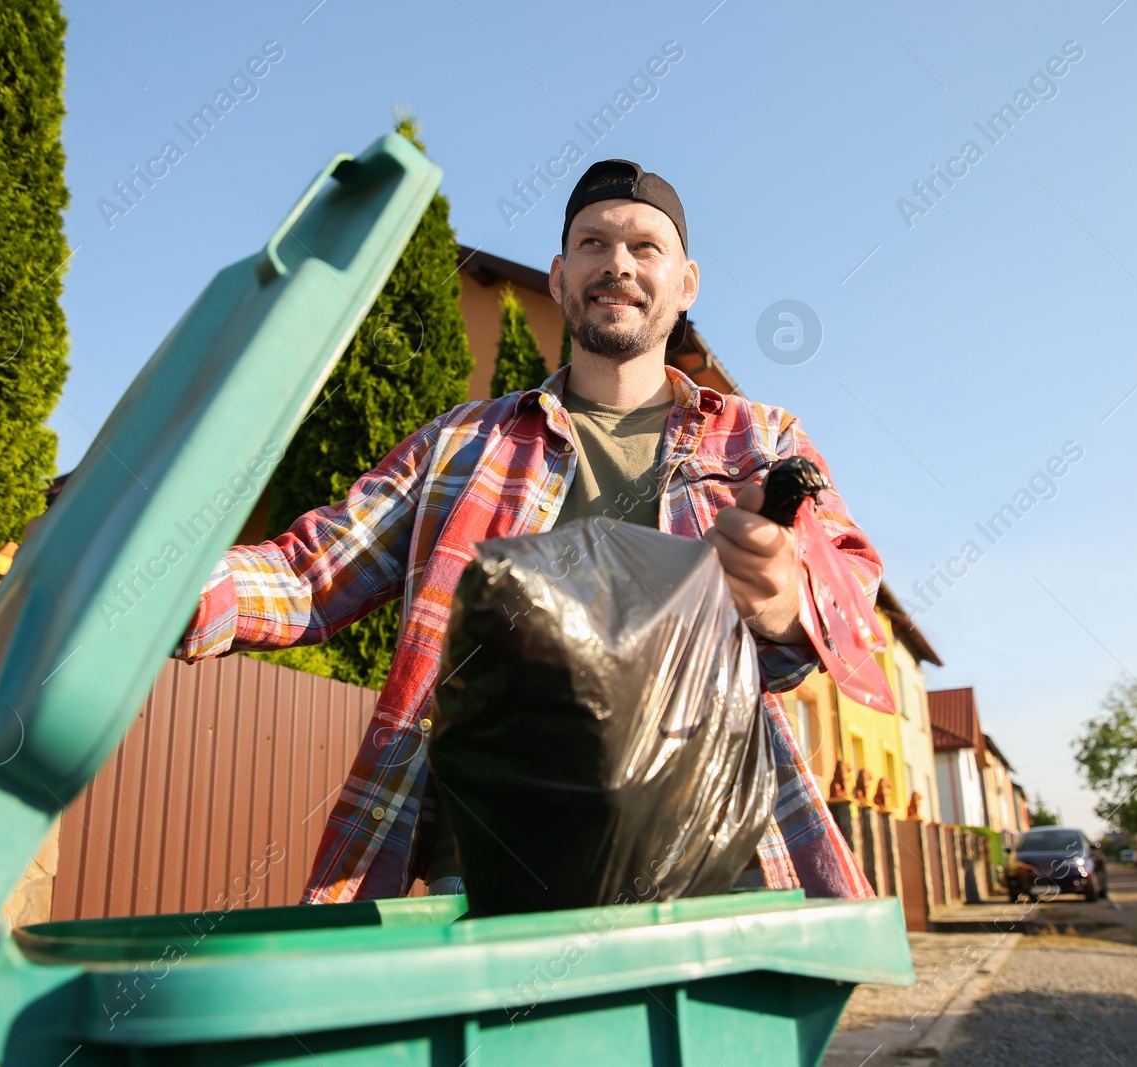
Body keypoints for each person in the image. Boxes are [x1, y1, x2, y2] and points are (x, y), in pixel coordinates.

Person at [176, 159, 882, 904]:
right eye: (592, 243)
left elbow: (850, 587)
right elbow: (306, 576)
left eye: (646, 247)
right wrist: (149, 593)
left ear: (687, 282)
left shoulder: (761, 443)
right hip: (493, 873)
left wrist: (783, 602)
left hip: (711, 870)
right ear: (557, 275)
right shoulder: (459, 446)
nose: (617, 263)